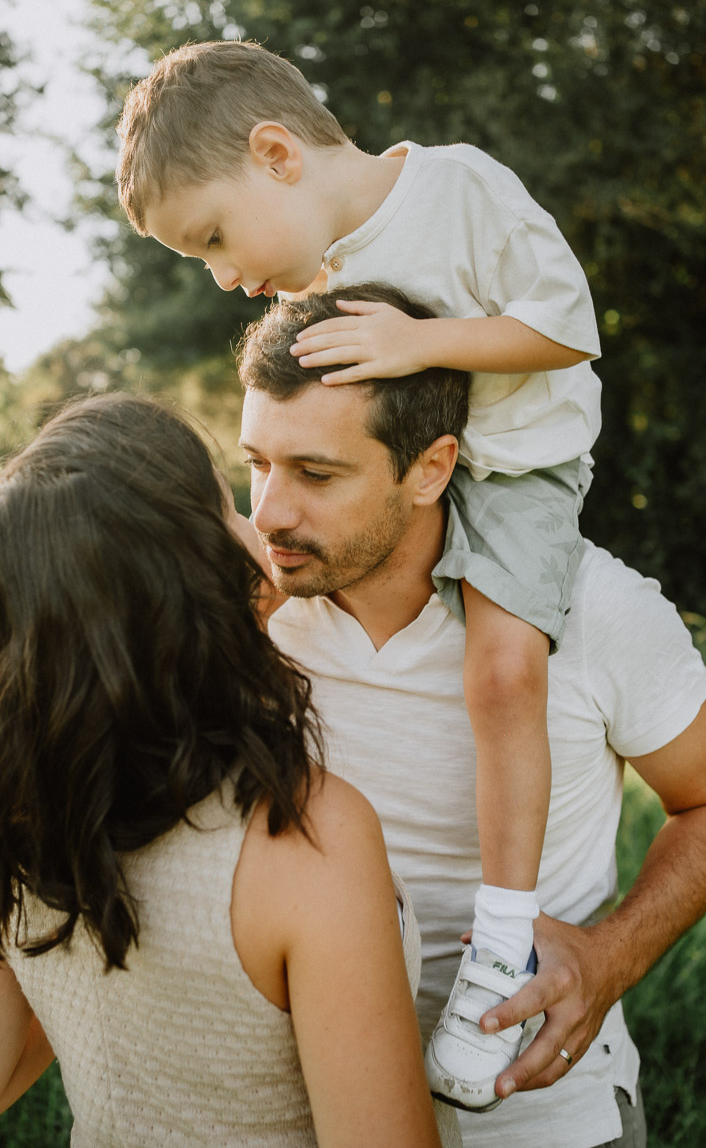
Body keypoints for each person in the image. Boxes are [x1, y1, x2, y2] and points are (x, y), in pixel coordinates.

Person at [115, 37, 602, 1107]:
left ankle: (504, 936)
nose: (226, 275)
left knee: (502, 671)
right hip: (420, 475)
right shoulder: (326, 268)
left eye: (214, 238)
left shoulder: (457, 185)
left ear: (277, 153)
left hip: (515, 465)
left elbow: (566, 333)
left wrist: (424, 341)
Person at [235, 287, 706, 1148]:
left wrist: (608, 957)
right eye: (258, 463)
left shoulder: (592, 607)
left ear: (430, 469)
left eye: (316, 474)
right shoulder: (248, 609)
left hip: (543, 1115)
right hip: (311, 1115)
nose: (270, 514)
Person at [0, 392, 458, 1148]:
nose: (261, 526)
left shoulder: (34, 810)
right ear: (188, 572)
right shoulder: (306, 837)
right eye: (229, 508)